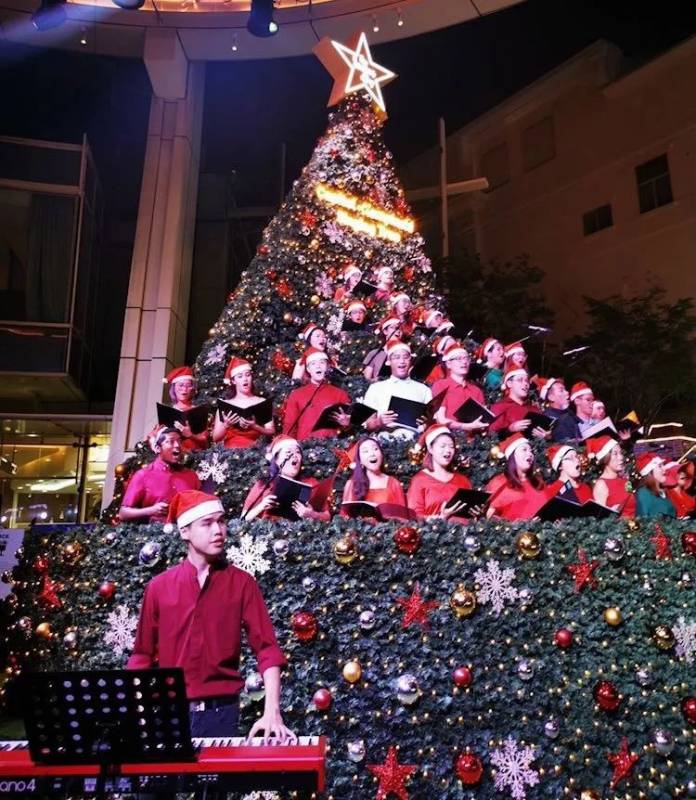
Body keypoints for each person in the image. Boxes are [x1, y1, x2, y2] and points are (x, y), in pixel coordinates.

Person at [127, 490, 294, 743]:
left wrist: (272, 712)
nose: (218, 530)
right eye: (207, 523)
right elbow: (141, 656)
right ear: (185, 531)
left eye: (221, 521)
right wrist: (135, 713)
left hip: (221, 714)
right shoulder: (158, 587)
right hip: (170, 715)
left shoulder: (242, 583)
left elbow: (267, 649)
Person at [119, 427, 200, 523]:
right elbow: (123, 513)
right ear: (158, 448)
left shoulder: (191, 476)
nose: (177, 445)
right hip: (154, 531)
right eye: (171, 441)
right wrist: (151, 510)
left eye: (179, 441)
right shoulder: (143, 475)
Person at [242, 436, 331, 522]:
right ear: (276, 460)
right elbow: (244, 518)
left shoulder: (311, 484)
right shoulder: (263, 484)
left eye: (298, 452)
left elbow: (327, 516)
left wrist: (312, 514)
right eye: (288, 452)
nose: (294, 455)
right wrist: (261, 506)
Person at [363, 339, 432, 438]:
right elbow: (367, 424)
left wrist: (425, 424)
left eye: (406, 357)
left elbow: (431, 421)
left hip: (415, 441)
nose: (402, 361)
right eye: (396, 357)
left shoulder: (424, 390)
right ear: (388, 362)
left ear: (410, 361)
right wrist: (379, 422)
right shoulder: (376, 388)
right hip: (385, 440)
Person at [406, 425, 475, 523]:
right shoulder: (419, 480)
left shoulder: (463, 480)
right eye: (442, 446)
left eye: (451, 446)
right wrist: (442, 517)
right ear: (430, 448)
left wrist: (475, 513)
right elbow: (415, 517)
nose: (448, 450)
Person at [282, 348, 351, 441]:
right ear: (308, 369)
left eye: (322, 363)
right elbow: (289, 426)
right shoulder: (296, 395)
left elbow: (350, 428)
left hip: (332, 445)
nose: (318, 366)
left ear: (327, 367)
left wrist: (346, 423)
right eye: (313, 364)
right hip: (304, 445)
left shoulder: (340, 394)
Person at [212, 357, 275, 448]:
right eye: (240, 376)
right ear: (233, 381)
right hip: (231, 450)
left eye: (248, 375)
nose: (245, 379)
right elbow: (215, 438)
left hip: (254, 450)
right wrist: (226, 425)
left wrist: (255, 426)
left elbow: (271, 431)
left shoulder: (261, 402)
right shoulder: (226, 406)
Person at [431, 341, 489, 436]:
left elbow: (483, 419)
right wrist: (465, 426)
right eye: (459, 359)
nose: (464, 362)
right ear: (448, 364)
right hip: (450, 436)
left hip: (475, 439)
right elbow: (441, 419)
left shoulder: (477, 391)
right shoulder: (440, 385)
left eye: (466, 358)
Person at [340, 437, 407, 518]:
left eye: (375, 449)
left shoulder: (394, 483)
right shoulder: (351, 484)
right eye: (365, 451)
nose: (372, 454)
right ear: (360, 460)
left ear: (381, 454)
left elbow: (402, 518)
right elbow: (344, 517)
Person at [485, 433, 547, 520]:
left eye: (531, 451)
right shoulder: (499, 482)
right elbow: (489, 517)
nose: (530, 454)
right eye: (524, 450)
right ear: (512, 455)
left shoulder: (538, 482)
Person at [489, 369, 547, 438]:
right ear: (509, 383)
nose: (525, 384)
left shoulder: (534, 409)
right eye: (520, 380)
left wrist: (546, 436)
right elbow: (491, 435)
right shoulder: (499, 407)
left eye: (527, 381)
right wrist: (510, 429)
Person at [589, 435, 636, 517]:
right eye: (615, 454)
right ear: (605, 458)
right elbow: (600, 520)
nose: (621, 457)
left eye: (620, 453)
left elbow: (632, 503)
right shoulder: (601, 485)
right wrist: (612, 514)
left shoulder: (626, 481)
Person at [164, 366, 209, 452]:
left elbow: (204, 440)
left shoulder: (198, 411)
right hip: (172, 454)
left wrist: (190, 435)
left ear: (192, 389)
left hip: (194, 454)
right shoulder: (167, 411)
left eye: (188, 386)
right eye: (181, 385)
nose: (184, 389)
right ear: (174, 388)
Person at [635, 454, 677, 519]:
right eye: (659, 466)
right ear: (650, 472)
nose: (664, 469)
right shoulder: (644, 493)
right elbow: (643, 520)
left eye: (663, 465)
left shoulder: (664, 490)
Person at [363, 316, 402, 382]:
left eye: (398, 328)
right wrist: (377, 380)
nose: (397, 330)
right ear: (385, 331)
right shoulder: (374, 353)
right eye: (392, 327)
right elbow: (366, 380)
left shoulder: (407, 354)